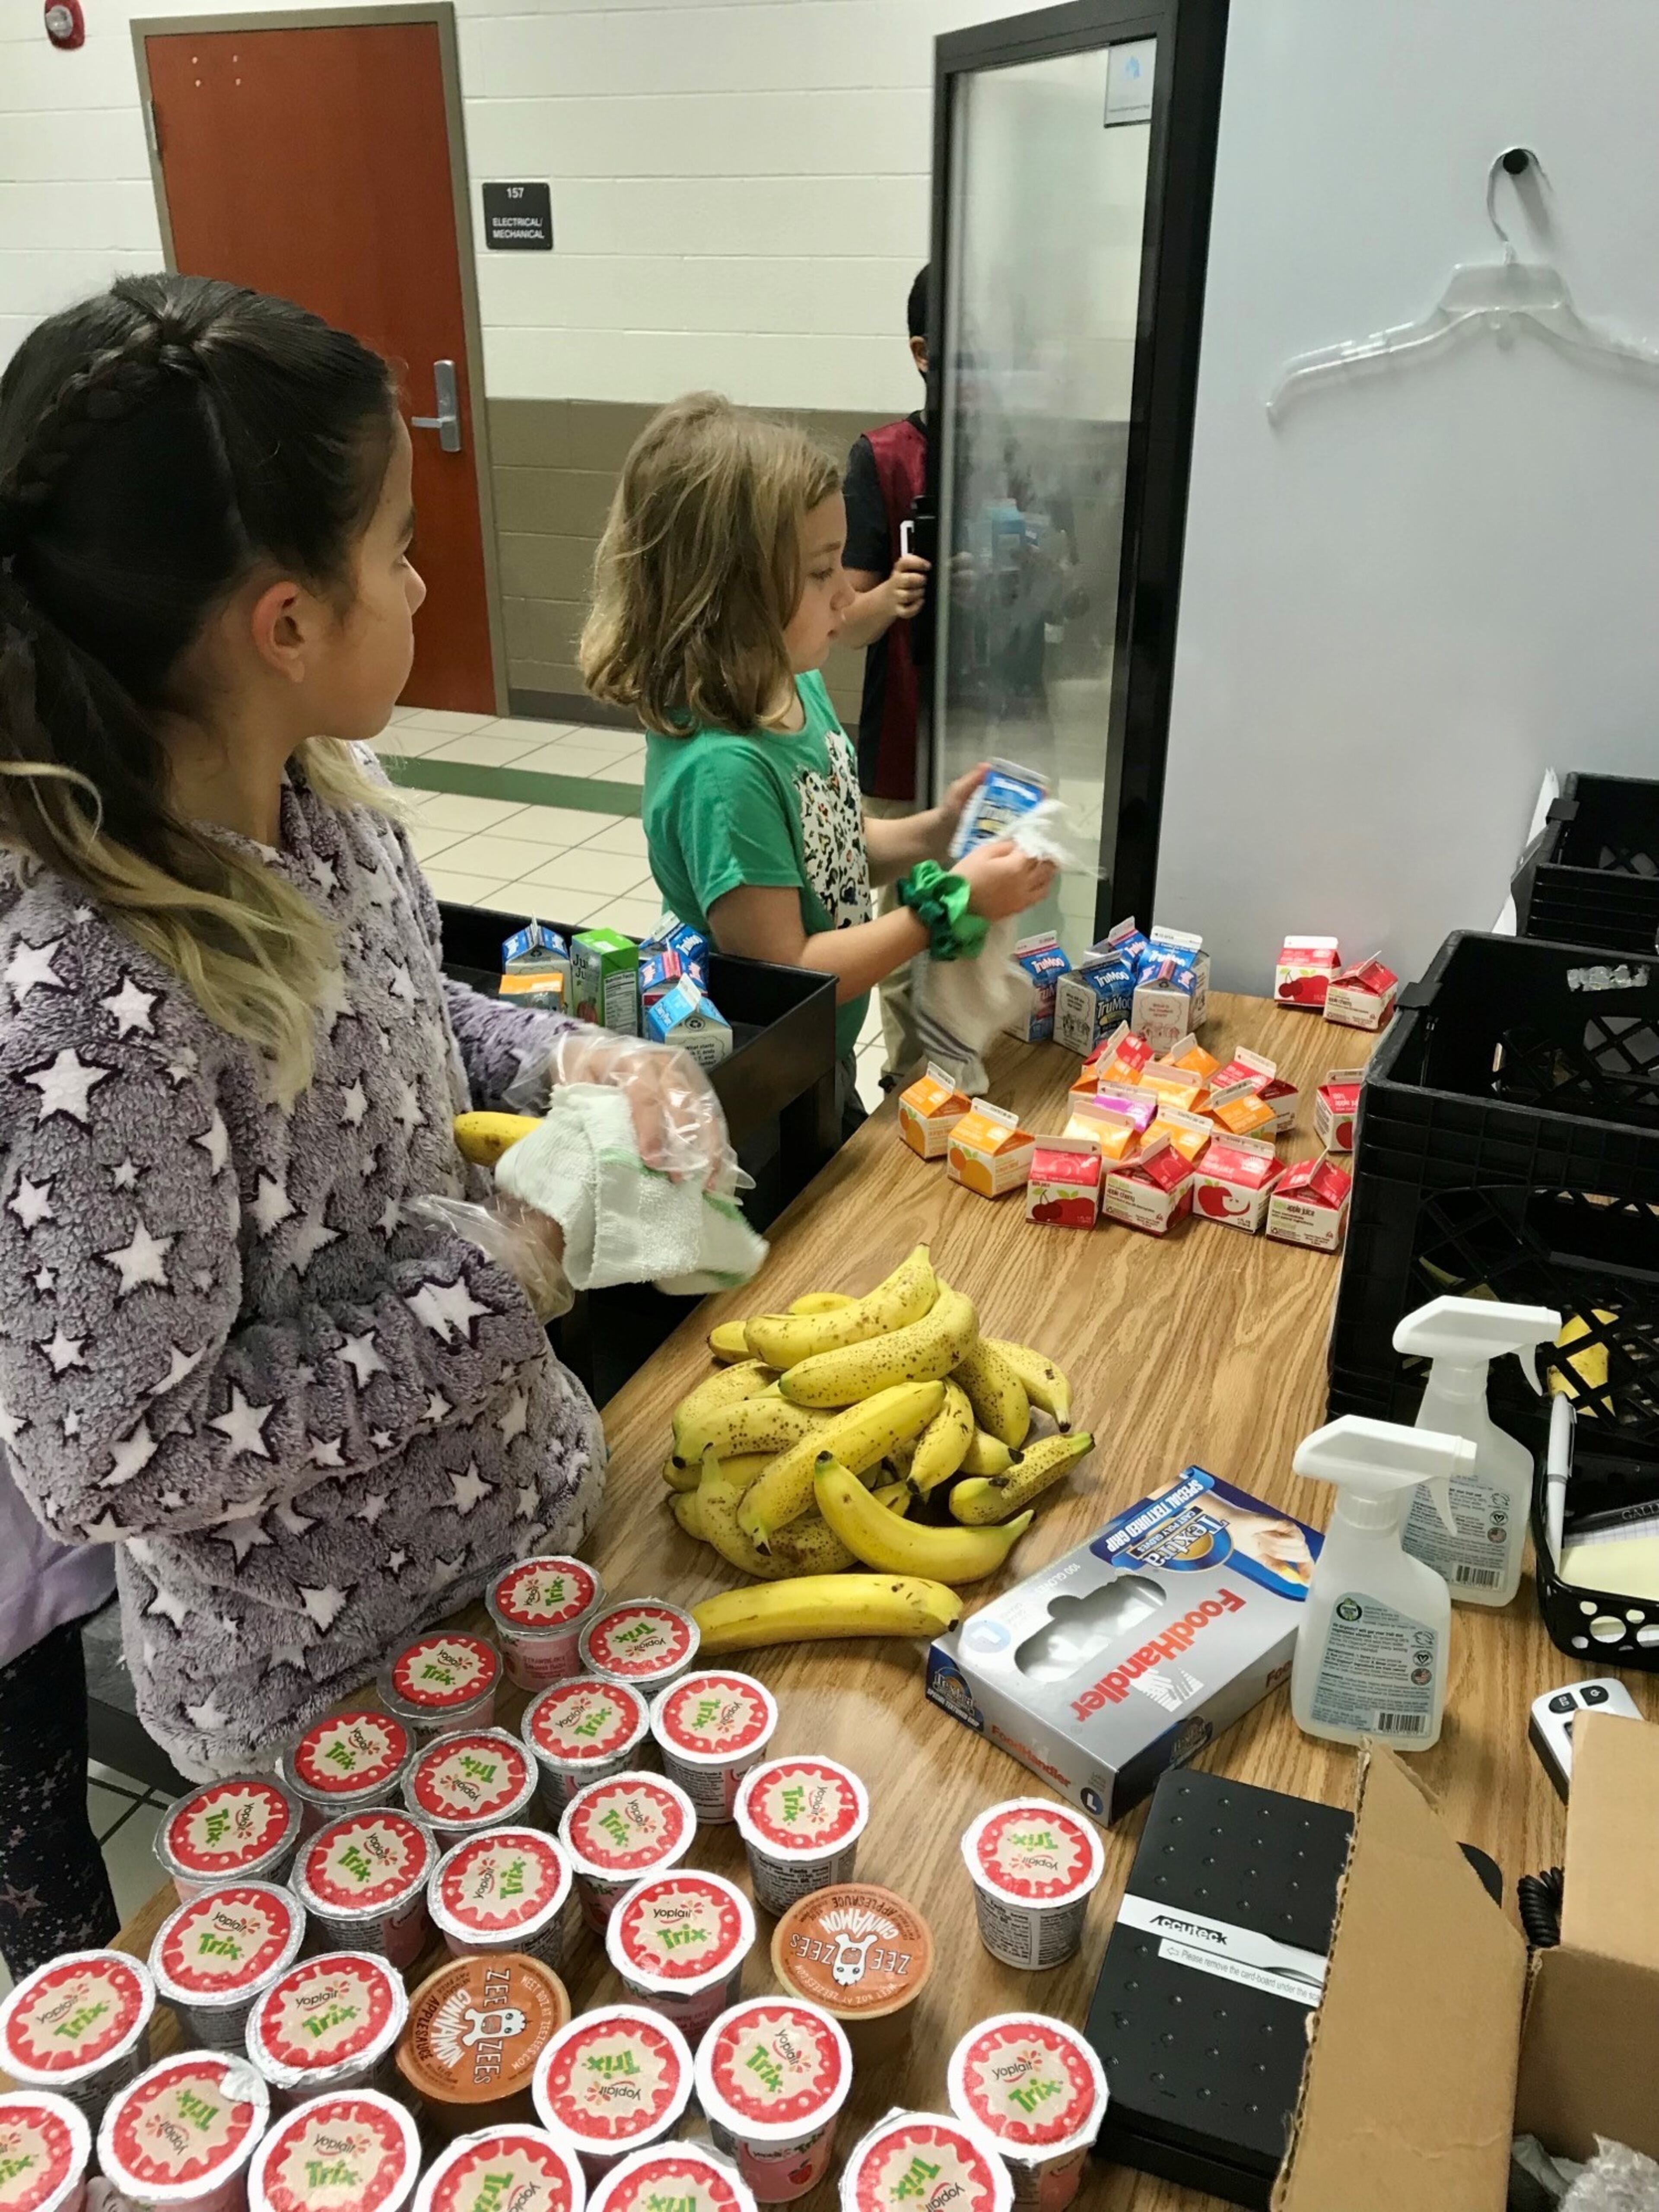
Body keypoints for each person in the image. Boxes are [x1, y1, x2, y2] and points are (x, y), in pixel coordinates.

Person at [0, 273, 731, 1785]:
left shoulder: (325, 808)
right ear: (285, 621)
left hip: (519, 1543)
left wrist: (563, 1058)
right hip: (334, 1714)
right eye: (396, 553)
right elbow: (110, 1457)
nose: (415, 589)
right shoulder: (96, 1003)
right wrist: (496, 1272)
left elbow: (398, 1016)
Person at [582, 392, 1055, 1140]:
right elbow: (790, 966)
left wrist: (938, 831)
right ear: (728, 591)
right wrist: (948, 906)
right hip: (757, 1087)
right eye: (819, 571)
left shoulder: (791, 686)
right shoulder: (724, 773)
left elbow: (833, 848)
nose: (848, 593)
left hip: (820, 1059)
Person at [839, 264, 933, 1089]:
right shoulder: (883, 459)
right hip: (903, 742)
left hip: (1007, 731)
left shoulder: (1021, 456)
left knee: (997, 923)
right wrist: (895, 596)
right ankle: (908, 1092)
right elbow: (845, 620)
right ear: (923, 353)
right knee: (908, 930)